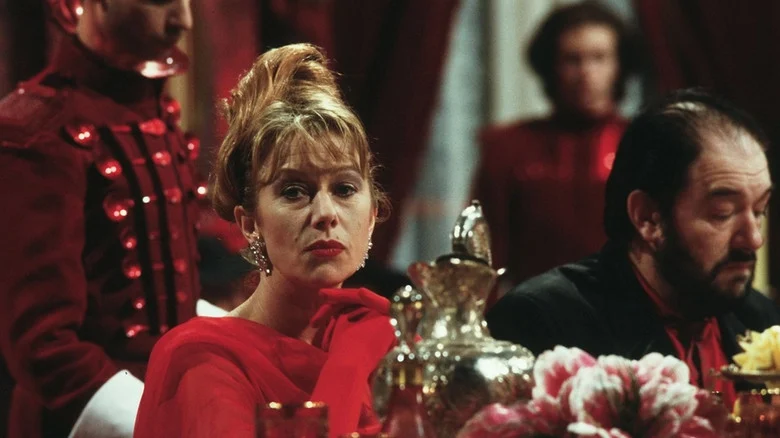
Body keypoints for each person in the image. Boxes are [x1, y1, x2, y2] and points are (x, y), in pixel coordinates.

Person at [134, 43, 396, 437]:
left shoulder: (395, 345)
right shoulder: (201, 358)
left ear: (372, 215)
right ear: (249, 223)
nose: (326, 213)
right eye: (294, 191)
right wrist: (349, 365)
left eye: (344, 189)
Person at [0, 1, 219, 436]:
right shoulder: (37, 130)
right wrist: (162, 422)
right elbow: (44, 348)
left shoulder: (150, 111)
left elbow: (166, 310)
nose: (183, 20)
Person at [486, 89, 780, 410]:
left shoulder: (760, 318)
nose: (754, 239)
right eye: (723, 214)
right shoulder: (543, 323)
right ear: (648, 218)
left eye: (760, 210)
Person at [473, 1, 638, 291]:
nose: (586, 72)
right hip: (534, 307)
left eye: (599, 58)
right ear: (552, 67)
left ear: (619, 65)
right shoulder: (508, 146)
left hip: (627, 307)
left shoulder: (643, 144)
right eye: (573, 60)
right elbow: (484, 254)